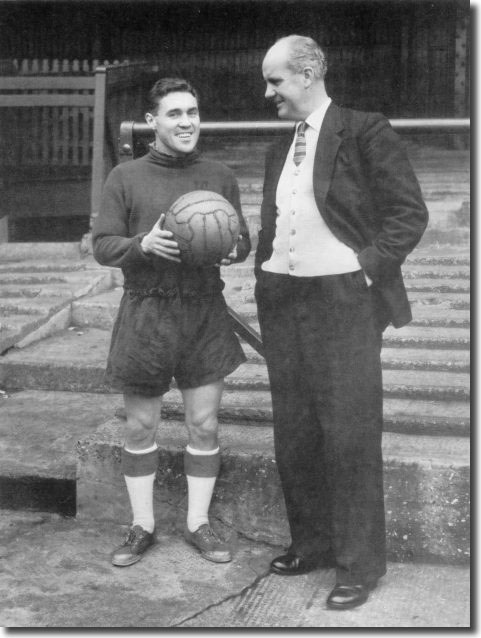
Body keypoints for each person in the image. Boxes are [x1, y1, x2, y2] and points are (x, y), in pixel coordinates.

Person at [255, 35, 428, 610]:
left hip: (343, 301)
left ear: (307, 75)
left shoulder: (364, 130)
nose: (268, 92)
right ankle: (313, 544)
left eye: (276, 80)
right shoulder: (280, 149)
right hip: (286, 300)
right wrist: (263, 270)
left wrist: (364, 270)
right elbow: (275, 223)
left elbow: (408, 213)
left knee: (350, 434)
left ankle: (359, 566)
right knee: (295, 430)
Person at [92, 77, 251, 567]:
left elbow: (242, 240)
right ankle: (142, 526)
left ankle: (198, 524)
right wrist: (141, 245)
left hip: (203, 308)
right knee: (141, 425)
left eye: (193, 112)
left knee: (204, 423)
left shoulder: (220, 175)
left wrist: (232, 247)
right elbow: (102, 245)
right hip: (147, 310)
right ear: (151, 122)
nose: (186, 122)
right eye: (175, 114)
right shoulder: (125, 176)